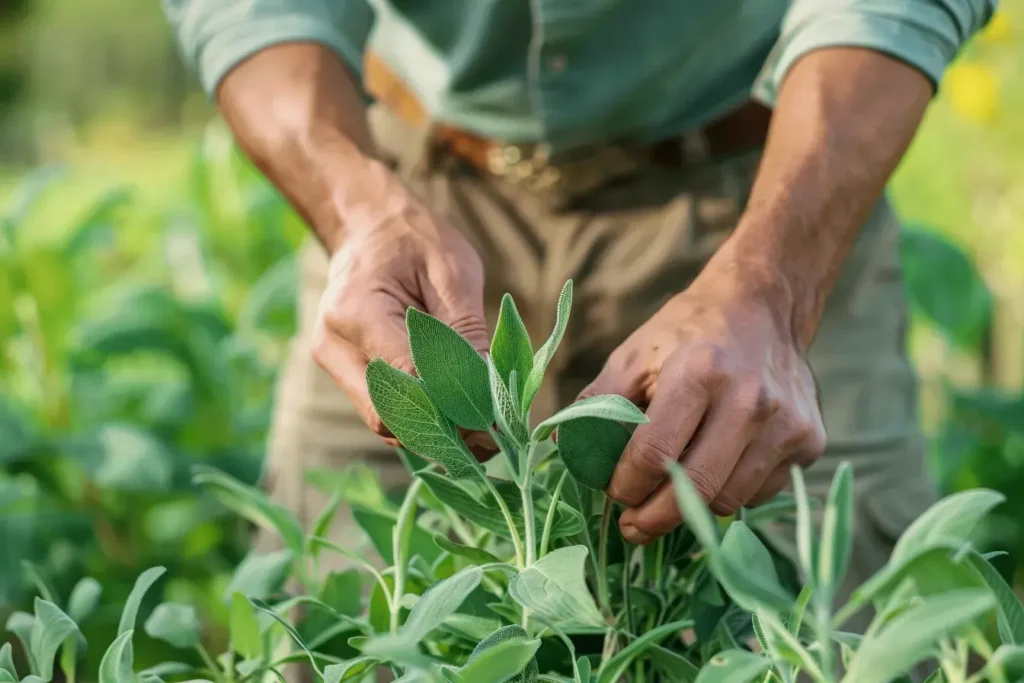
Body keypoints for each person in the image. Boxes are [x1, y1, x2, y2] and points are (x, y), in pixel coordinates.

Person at [161, 0, 993, 632]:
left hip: (772, 192)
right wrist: (357, 212)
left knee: (834, 632)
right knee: (333, 628)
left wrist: (775, 282)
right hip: (407, 202)